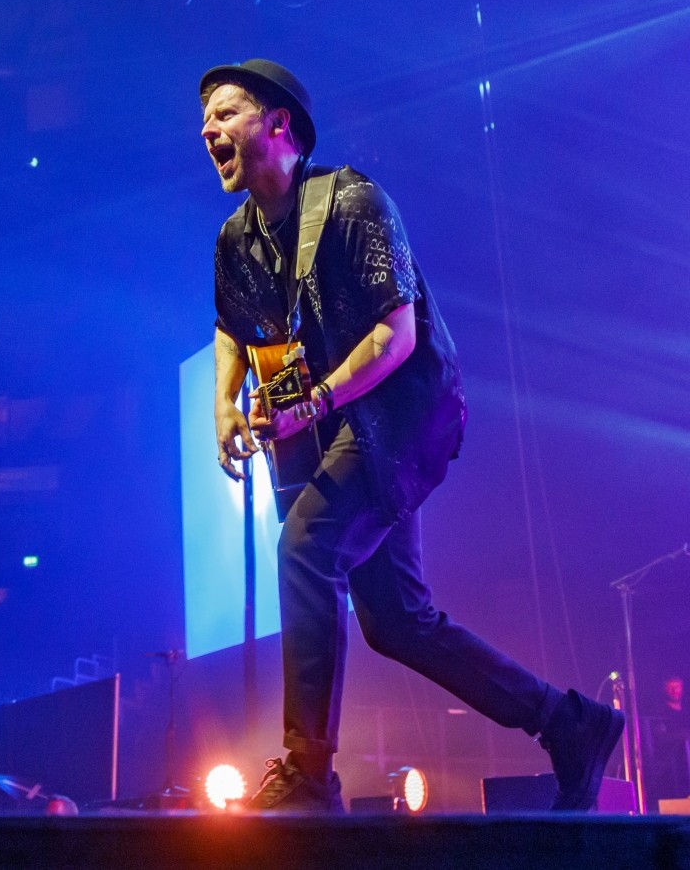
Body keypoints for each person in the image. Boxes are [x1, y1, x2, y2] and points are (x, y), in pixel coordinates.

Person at [200, 58, 623, 812]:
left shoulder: (353, 200)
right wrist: (225, 404)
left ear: (279, 123)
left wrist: (315, 400)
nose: (208, 130)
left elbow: (396, 337)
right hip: (326, 433)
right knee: (398, 622)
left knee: (305, 548)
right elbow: (230, 326)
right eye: (205, 119)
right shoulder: (235, 239)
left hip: (397, 422)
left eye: (225, 113)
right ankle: (568, 722)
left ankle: (307, 771)